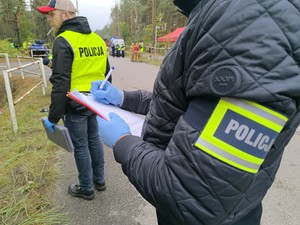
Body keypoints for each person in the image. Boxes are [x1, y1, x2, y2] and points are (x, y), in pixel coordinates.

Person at [90, 0, 300, 224]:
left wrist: (123, 141)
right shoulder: (219, 11)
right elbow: (182, 104)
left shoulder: (252, 19)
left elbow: (194, 197)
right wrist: (124, 98)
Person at [37, 0, 111, 200]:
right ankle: (100, 180)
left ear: (65, 15)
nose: (50, 19)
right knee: (94, 140)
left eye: (52, 15)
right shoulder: (97, 40)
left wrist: (53, 118)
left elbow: (61, 83)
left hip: (75, 103)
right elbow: (106, 76)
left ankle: (86, 188)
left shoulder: (63, 40)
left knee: (81, 145)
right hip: (94, 101)